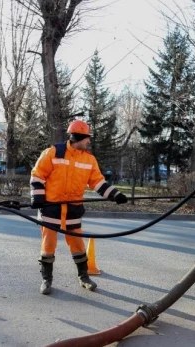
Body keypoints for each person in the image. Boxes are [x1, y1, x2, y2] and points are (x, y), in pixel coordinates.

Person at [30, 120, 128, 295]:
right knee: (48, 244)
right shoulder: (53, 153)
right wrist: (37, 197)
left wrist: (115, 195)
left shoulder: (89, 159)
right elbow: (38, 175)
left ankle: (84, 277)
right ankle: (46, 280)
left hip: (73, 208)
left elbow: (97, 182)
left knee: (77, 243)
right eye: (87, 139)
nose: (88, 142)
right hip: (51, 208)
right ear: (78, 137)